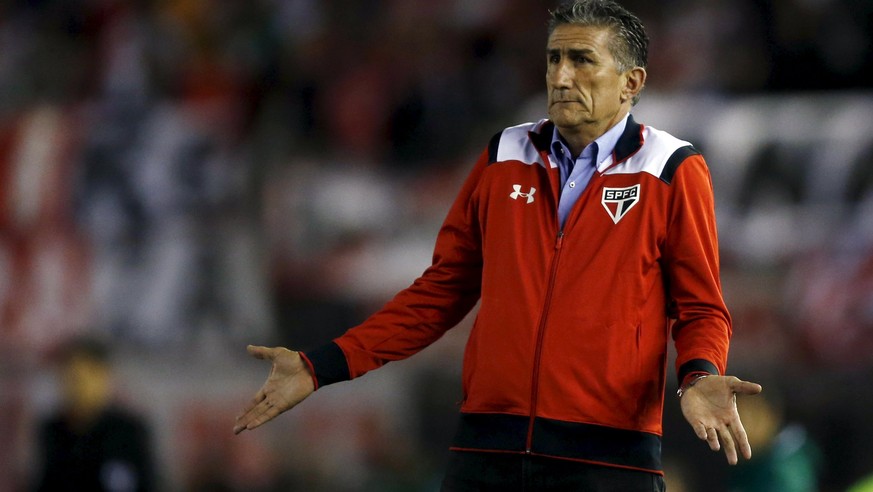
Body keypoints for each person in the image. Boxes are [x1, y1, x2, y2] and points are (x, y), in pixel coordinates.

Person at [234, 1, 762, 490]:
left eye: (582, 60)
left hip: (607, 458)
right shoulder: (504, 153)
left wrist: (700, 375)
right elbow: (440, 292)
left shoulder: (671, 169)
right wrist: (321, 364)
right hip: (486, 450)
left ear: (631, 82)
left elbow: (701, 307)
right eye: (553, 58)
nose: (560, 76)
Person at [32, 335, 155, 492]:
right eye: (73, 376)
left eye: (90, 375)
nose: (80, 385)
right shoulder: (52, 430)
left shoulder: (129, 432)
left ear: (106, 377)